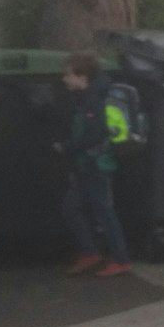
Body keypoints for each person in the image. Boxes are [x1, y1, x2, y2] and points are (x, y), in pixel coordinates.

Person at [58, 52, 133, 278]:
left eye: (68, 75)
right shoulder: (86, 96)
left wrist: (67, 147)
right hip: (85, 164)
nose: (64, 79)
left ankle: (121, 259)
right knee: (71, 208)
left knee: (104, 211)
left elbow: (92, 134)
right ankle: (90, 252)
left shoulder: (94, 99)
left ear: (83, 77)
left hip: (96, 164)